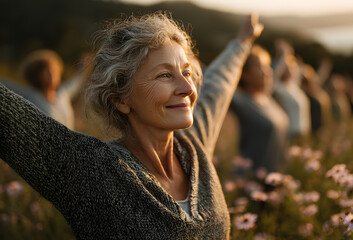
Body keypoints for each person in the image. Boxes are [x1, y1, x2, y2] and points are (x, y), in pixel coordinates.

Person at [0, 12, 263, 239]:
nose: (187, 88)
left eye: (185, 72)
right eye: (164, 75)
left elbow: (218, 84)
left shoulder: (195, 147)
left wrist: (243, 41)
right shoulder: (90, 170)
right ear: (121, 99)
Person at [230, 44, 289, 172]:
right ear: (245, 74)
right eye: (260, 67)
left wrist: (283, 55)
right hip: (253, 182)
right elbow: (216, 81)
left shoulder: (267, 97)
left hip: (276, 178)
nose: (268, 71)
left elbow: (277, 69)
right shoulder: (239, 100)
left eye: (268, 66)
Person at [1, 50, 82, 129]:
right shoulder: (32, 97)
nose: (51, 74)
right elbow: (7, 85)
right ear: (37, 75)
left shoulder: (62, 94)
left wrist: (85, 66)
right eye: (46, 71)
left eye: (54, 70)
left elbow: (76, 81)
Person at [272, 39, 311, 139]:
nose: (291, 69)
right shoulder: (279, 88)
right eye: (288, 67)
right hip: (290, 136)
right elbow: (273, 80)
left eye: (293, 67)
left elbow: (298, 71)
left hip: (304, 134)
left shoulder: (294, 86)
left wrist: (288, 53)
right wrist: (283, 56)